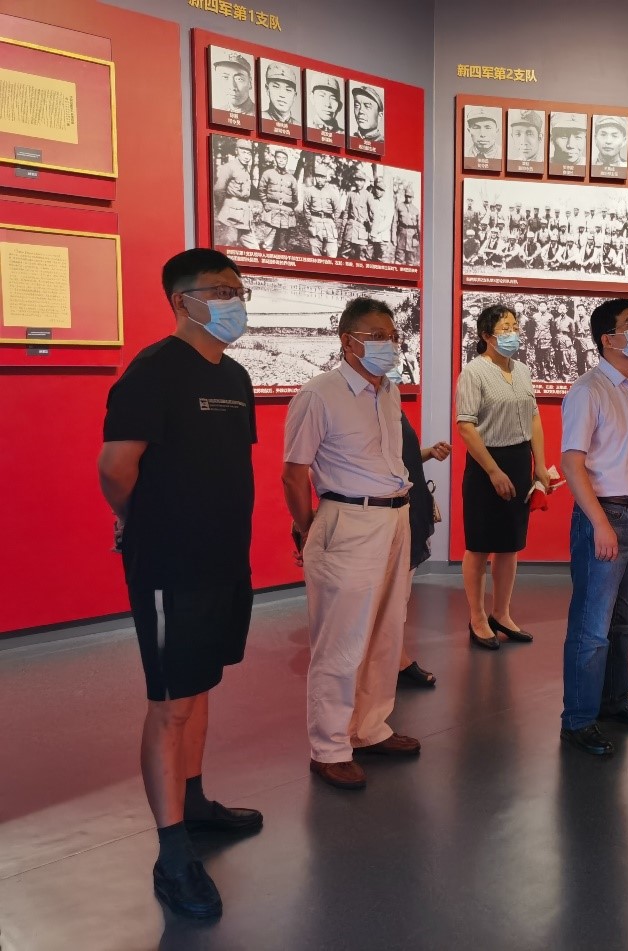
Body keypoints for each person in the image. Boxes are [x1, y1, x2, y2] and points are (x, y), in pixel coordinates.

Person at [98, 249, 261, 919]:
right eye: (218, 290)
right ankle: (172, 854)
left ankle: (193, 803)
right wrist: (139, 521)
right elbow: (115, 467)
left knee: (199, 685)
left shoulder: (238, 376)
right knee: (170, 703)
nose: (232, 301)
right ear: (181, 300)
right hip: (169, 565)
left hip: (225, 561)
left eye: (238, 290)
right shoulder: (153, 372)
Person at [282, 298, 420, 791]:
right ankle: (329, 748)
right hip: (347, 518)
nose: (390, 345)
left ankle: (369, 727)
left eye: (393, 336)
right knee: (340, 642)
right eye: (377, 336)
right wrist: (308, 529)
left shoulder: (389, 391)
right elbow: (294, 474)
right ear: (348, 341)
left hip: (394, 517)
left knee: (386, 631)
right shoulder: (319, 395)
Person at [559, 298, 628, 756]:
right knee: (592, 627)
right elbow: (572, 462)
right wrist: (599, 523)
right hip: (607, 516)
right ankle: (578, 720)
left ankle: (614, 700)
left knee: (626, 622)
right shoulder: (588, 391)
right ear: (608, 339)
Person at [455, 305, 553, 649]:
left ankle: (502, 614)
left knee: (510, 545)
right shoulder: (473, 372)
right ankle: (477, 617)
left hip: (519, 460)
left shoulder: (523, 370)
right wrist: (493, 471)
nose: (513, 334)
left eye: (515, 327)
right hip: (486, 465)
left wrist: (540, 465)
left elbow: (534, 418)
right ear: (486, 335)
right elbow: (466, 426)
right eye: (505, 328)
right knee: (480, 545)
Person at [396, 415, 451, 689]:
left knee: (399, 594)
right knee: (393, 595)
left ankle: (395, 658)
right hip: (390, 513)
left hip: (407, 508)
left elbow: (402, 458)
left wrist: (428, 452)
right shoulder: (364, 407)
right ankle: (394, 660)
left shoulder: (388, 403)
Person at [213, 139, 255, 248]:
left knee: (254, 248)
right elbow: (218, 189)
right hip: (231, 216)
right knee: (228, 246)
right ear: (236, 151)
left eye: (249, 153)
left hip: (244, 216)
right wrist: (222, 208)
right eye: (244, 152)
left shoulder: (246, 170)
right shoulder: (229, 167)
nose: (247, 156)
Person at [255, 148, 299, 251]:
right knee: (268, 241)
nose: (281, 160)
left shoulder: (291, 178)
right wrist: (265, 204)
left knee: (283, 244)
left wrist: (290, 208)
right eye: (279, 157)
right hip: (272, 210)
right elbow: (261, 190)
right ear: (275, 158)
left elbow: (295, 197)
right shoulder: (268, 173)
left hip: (286, 213)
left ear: (287, 160)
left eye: (284, 158)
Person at [302, 159, 342, 258]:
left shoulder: (331, 191)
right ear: (315, 177)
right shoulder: (310, 191)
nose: (320, 179)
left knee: (332, 253)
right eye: (318, 177)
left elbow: (337, 209)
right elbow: (306, 209)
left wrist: (334, 222)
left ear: (326, 178)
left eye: (322, 177)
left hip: (329, 224)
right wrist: (310, 222)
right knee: (316, 253)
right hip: (315, 223)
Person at [211, 50, 254, 116]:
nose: (232, 87)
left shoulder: (261, 115)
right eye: (225, 77)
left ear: (250, 83)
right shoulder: (218, 114)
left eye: (239, 79)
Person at [394, 184, 420, 265]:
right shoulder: (399, 206)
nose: (408, 198)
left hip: (412, 238)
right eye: (407, 196)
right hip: (402, 236)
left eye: (410, 197)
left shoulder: (416, 210)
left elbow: (419, 226)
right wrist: (393, 237)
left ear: (413, 197)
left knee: (410, 261)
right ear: (404, 196)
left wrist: (420, 239)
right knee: (398, 259)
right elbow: (394, 222)